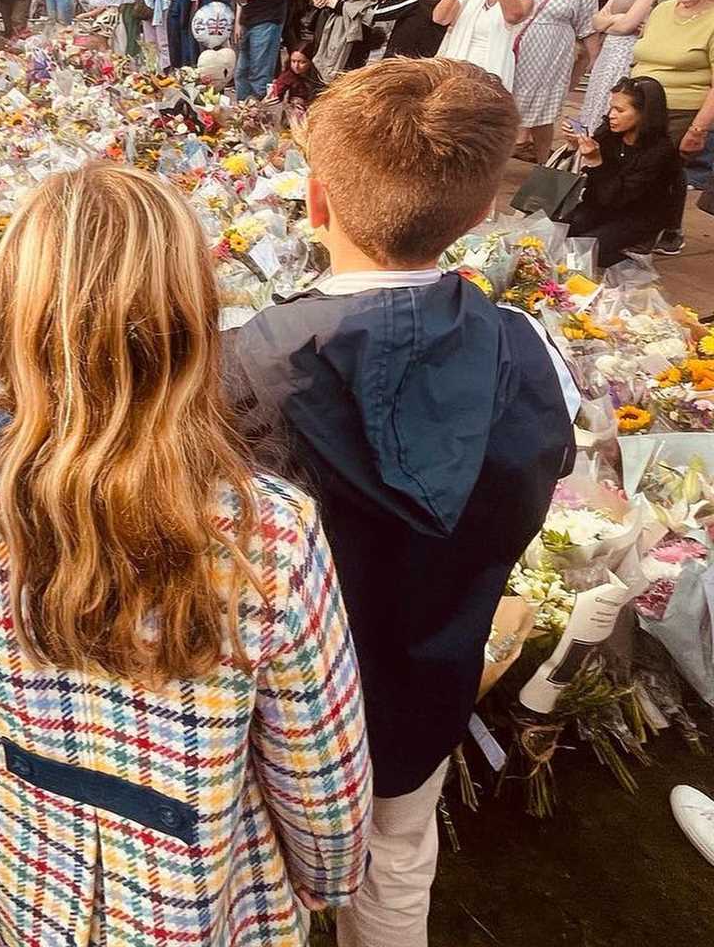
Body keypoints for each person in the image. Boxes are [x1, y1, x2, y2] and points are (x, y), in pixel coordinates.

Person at [0, 163, 372, 947]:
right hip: (199, 898)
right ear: (190, 322)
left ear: (19, 319)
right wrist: (328, 880)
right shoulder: (269, 531)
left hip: (22, 886)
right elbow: (322, 780)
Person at [225, 58, 576, 947]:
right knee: (398, 858)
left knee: (260, 871)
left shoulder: (234, 370)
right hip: (427, 673)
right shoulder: (527, 352)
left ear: (314, 201)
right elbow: (530, 491)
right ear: (483, 213)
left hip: (273, 711)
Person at [631, 0, 714, 254]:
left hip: (683, 109)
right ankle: (670, 229)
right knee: (667, 171)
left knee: (653, 169)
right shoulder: (663, 10)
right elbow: (642, 53)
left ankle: (644, 231)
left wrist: (698, 129)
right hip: (641, 103)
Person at [562, 77, 685, 265]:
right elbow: (595, 193)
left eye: (620, 110)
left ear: (644, 113)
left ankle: (632, 259)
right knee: (558, 232)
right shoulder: (609, 134)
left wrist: (597, 162)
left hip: (636, 216)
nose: (611, 115)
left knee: (587, 253)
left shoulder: (660, 150)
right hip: (600, 206)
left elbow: (619, 197)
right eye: (611, 108)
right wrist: (574, 145)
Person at [510, 0, 601, 161]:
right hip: (514, 48)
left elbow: (588, 26)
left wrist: (593, 62)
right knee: (507, 109)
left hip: (551, 55)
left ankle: (543, 163)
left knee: (542, 114)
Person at [581, 0, 680, 133]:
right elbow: (596, 19)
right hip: (608, 52)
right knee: (593, 106)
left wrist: (612, 20)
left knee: (612, 109)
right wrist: (615, 19)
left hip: (626, 54)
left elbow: (628, 24)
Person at [267, 41, 323, 118]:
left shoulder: (318, 73)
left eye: (302, 62)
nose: (296, 66)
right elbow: (277, 93)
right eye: (293, 61)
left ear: (310, 61)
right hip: (296, 113)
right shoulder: (288, 76)